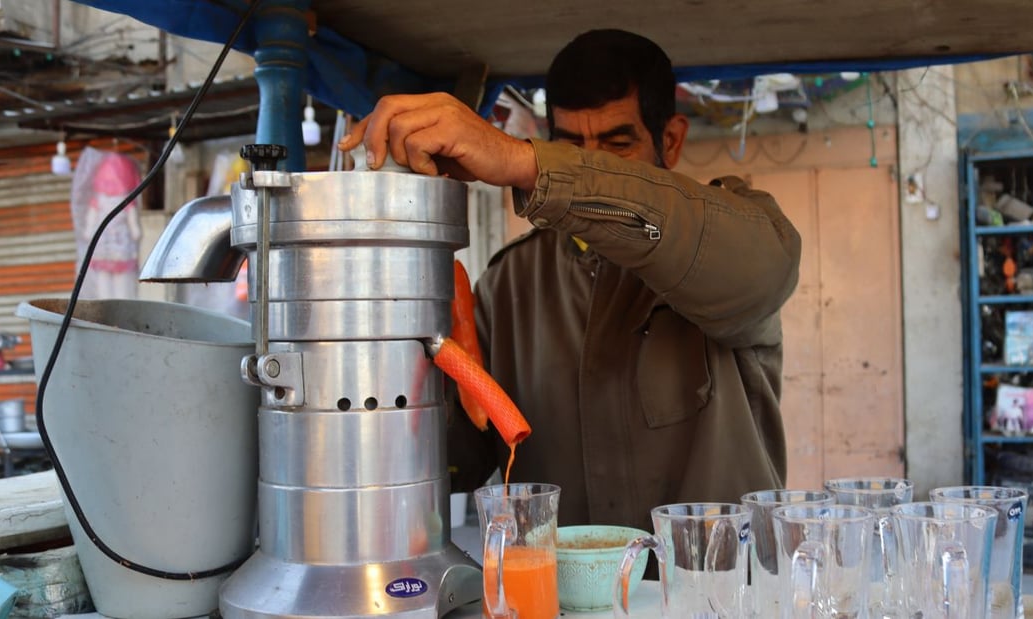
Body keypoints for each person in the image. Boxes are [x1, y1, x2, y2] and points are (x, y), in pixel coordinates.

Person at [339, 29, 801, 533]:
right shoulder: (508, 285)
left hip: (716, 580)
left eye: (616, 145)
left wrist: (527, 163)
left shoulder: (729, 237)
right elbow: (457, 459)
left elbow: (761, 269)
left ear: (670, 140)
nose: (592, 164)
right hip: (559, 584)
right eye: (570, 147)